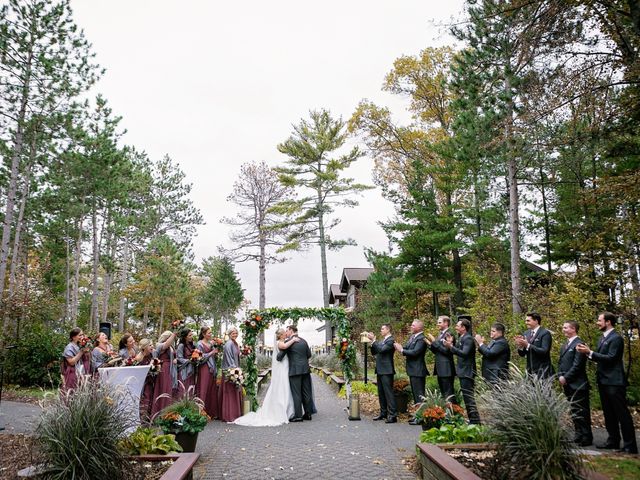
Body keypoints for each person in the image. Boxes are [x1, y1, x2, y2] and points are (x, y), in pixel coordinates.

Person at [576, 312, 638, 454]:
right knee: (609, 414)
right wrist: (586, 353)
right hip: (603, 381)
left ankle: (630, 445)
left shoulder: (616, 338)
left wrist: (590, 352)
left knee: (622, 414)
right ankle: (613, 441)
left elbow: (611, 358)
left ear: (608, 322)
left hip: (614, 382)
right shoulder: (602, 338)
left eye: (599, 320)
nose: (597, 323)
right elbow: (601, 358)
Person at [234, 328, 299, 426]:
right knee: (283, 385)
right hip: (282, 367)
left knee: (285, 385)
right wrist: (293, 340)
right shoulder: (279, 343)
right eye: (284, 333)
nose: (286, 334)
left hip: (284, 366)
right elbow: (285, 346)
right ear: (281, 335)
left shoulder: (281, 341)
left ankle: (287, 408)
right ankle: (283, 409)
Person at [557, 321, 593, 447]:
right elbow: (561, 362)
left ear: (573, 329)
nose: (563, 329)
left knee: (582, 411)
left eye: (565, 327)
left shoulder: (579, 344)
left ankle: (587, 437)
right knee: (574, 411)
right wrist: (560, 375)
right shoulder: (565, 345)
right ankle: (578, 435)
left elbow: (578, 365)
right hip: (568, 384)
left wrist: (566, 377)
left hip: (578, 384)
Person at [444, 318, 480, 424]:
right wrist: (452, 344)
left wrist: (451, 346)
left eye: (458, 326)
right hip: (463, 371)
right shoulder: (462, 338)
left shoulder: (468, 338)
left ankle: (475, 420)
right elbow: (459, 351)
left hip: (467, 372)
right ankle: (472, 419)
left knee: (469, 397)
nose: (456, 327)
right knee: (466, 397)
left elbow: (464, 353)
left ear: (464, 328)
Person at [276, 325, 314, 422]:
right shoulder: (304, 341)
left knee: (296, 393)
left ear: (291, 330)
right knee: (306, 392)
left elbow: (279, 357)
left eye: (287, 330)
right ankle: (308, 414)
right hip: (305, 370)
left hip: (294, 371)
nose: (286, 333)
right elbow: (309, 355)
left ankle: (298, 416)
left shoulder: (289, 342)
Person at [394, 319, 428, 425]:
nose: (411, 326)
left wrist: (402, 350)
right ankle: (417, 415)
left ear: (419, 327)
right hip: (413, 370)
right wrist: (399, 347)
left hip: (418, 370)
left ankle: (421, 417)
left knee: (419, 395)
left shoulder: (422, 338)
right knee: (415, 394)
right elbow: (407, 348)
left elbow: (415, 352)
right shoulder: (413, 337)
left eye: (413, 325)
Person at [368, 323, 397, 423]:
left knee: (388, 393)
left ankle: (393, 415)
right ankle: (383, 413)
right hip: (380, 370)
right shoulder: (382, 341)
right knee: (381, 393)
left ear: (388, 330)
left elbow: (381, 349)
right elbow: (374, 352)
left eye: (382, 329)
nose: (381, 330)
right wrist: (372, 342)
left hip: (387, 370)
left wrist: (374, 341)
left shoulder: (390, 340)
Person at [425, 315, 456, 402]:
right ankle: (447, 413)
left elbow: (447, 351)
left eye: (439, 322)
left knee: (449, 394)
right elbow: (438, 351)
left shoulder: (449, 334)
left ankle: (453, 413)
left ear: (446, 323)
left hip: (447, 368)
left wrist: (434, 342)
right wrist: (430, 344)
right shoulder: (440, 334)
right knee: (444, 393)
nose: (437, 324)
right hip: (440, 368)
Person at [515, 312, 554, 378]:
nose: (526, 322)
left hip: (542, 371)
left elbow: (544, 351)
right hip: (529, 371)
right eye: (525, 321)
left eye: (528, 321)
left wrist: (528, 345)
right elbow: (522, 354)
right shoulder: (526, 333)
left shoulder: (545, 333)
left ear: (536, 321)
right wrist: (520, 346)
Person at [150, 330, 177, 418]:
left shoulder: (171, 346)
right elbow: (166, 345)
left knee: (169, 389)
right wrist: (174, 333)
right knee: (164, 389)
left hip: (170, 368)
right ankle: (161, 414)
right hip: (164, 369)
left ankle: (168, 413)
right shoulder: (160, 345)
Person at [219, 327, 243, 422]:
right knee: (230, 392)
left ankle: (235, 413)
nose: (235, 335)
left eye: (236, 333)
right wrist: (234, 370)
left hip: (235, 370)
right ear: (229, 334)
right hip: (230, 371)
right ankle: (229, 414)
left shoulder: (235, 343)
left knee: (234, 391)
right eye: (233, 333)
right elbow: (229, 358)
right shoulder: (228, 344)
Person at [196, 327, 220, 419]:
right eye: (209, 333)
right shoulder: (199, 344)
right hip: (204, 368)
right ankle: (201, 412)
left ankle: (211, 412)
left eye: (211, 333)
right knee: (204, 388)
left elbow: (213, 355)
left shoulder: (210, 343)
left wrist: (215, 353)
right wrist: (211, 353)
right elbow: (199, 358)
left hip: (212, 368)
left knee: (211, 388)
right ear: (203, 334)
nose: (210, 334)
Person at [136, 338, 156, 422]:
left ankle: (148, 416)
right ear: (144, 347)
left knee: (151, 397)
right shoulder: (139, 358)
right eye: (150, 345)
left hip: (151, 381)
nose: (152, 346)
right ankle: (142, 417)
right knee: (145, 398)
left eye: (152, 345)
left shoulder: (152, 356)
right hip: (144, 383)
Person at [176, 328, 196, 393]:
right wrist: (189, 360)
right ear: (185, 337)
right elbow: (179, 358)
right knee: (183, 389)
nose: (191, 337)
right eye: (190, 335)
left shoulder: (192, 345)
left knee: (191, 389)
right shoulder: (181, 346)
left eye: (192, 335)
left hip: (191, 370)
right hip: (184, 370)